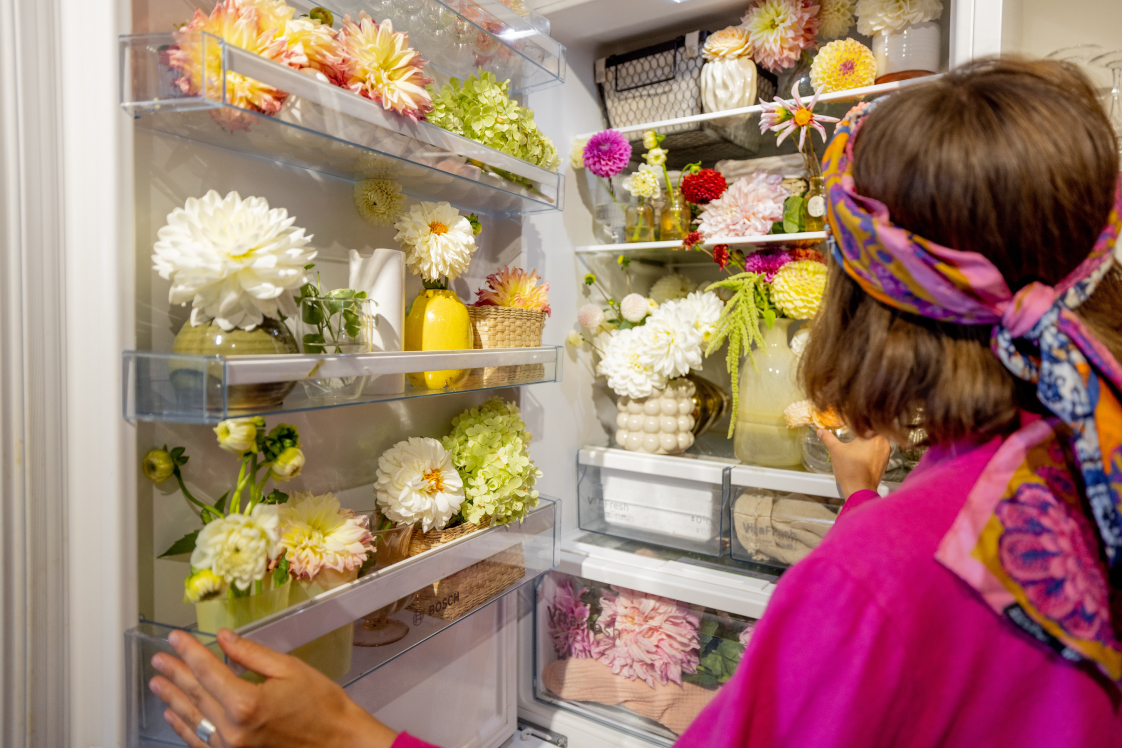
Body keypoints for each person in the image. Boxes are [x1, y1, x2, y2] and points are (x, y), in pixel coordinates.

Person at [148, 57, 1122, 748]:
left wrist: (346, 732)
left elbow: (894, 620)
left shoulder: (870, 584)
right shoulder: (1084, 467)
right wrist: (866, 500)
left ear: (867, 291)